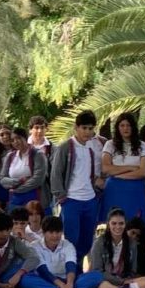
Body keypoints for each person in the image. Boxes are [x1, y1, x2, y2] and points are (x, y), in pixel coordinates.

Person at [51, 111, 102, 264]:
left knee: (87, 241)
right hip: (72, 199)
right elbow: (56, 173)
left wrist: (96, 192)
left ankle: (79, 271)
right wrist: (61, 197)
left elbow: (93, 174)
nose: (87, 132)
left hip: (90, 200)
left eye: (90, 128)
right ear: (76, 127)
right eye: (84, 128)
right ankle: (70, 273)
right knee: (71, 240)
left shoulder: (92, 148)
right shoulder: (66, 147)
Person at [28, 216, 104, 288]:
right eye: (51, 232)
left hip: (67, 280)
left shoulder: (68, 245)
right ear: (44, 233)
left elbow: (71, 266)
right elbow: (42, 270)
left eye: (58, 232)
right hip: (46, 280)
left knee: (97, 275)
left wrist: (69, 285)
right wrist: (62, 286)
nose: (55, 236)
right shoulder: (35, 246)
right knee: (25, 279)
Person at [89, 208, 145, 288]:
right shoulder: (99, 243)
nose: (118, 227)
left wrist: (126, 280)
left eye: (121, 223)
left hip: (125, 282)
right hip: (106, 281)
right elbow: (98, 272)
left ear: (125, 224)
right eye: (114, 223)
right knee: (104, 286)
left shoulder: (131, 243)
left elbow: (132, 270)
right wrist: (121, 281)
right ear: (108, 224)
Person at [101, 113, 145, 224]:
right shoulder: (110, 144)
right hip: (114, 190)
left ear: (133, 127)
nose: (125, 128)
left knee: (135, 225)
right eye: (122, 125)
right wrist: (130, 168)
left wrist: (118, 174)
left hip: (135, 190)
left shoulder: (142, 145)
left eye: (128, 125)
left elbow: (143, 172)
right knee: (114, 224)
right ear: (117, 127)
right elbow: (106, 168)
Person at [0, 128, 50, 211]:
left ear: (25, 138)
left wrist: (18, 189)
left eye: (18, 138)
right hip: (15, 198)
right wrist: (19, 181)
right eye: (12, 140)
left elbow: (38, 179)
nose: (15, 141)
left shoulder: (38, 154)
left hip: (34, 196)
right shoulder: (10, 156)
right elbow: (2, 179)